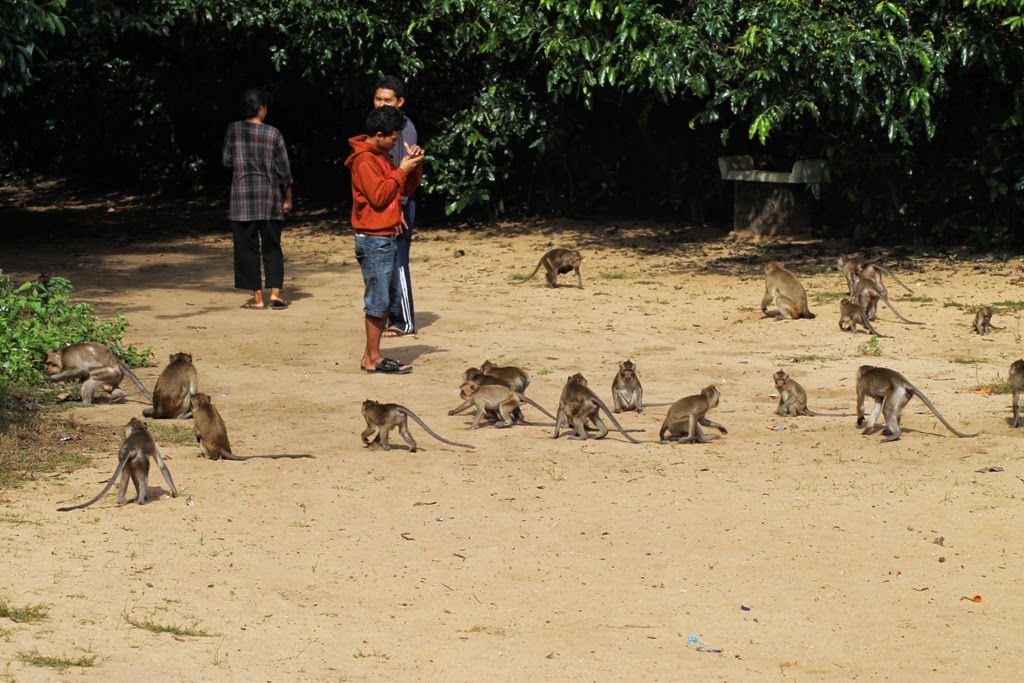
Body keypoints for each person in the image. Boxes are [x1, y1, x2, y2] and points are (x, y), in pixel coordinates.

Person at [345, 105, 424, 374]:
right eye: (393, 137)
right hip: (373, 239)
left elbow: (402, 189)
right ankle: (372, 358)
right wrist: (401, 169)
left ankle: (372, 356)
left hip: (385, 237)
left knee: (384, 300)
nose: (396, 142)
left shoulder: (381, 156)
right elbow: (380, 197)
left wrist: (414, 167)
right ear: (379, 135)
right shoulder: (365, 161)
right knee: (377, 302)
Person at [222, 88, 294, 310]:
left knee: (246, 248)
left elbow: (226, 161)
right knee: (272, 246)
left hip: (242, 200)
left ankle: (257, 298)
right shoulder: (273, 134)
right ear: (261, 108)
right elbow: (284, 169)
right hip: (270, 199)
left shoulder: (234, 130)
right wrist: (288, 198)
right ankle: (276, 293)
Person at [373, 76, 418, 337]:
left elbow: (403, 174)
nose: (382, 104)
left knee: (399, 263)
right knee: (387, 262)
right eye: (378, 99)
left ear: (400, 101)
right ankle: (392, 315)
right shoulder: (383, 126)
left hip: (399, 205)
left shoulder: (404, 130)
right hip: (389, 204)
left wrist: (398, 208)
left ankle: (403, 321)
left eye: (387, 100)